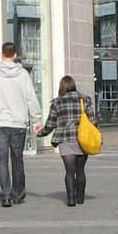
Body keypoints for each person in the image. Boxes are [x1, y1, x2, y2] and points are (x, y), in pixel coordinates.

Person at [0, 41, 39, 208]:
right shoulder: (23, 75)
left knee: (1, 159)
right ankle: (18, 193)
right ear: (14, 55)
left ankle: (5, 194)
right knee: (17, 158)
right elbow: (31, 99)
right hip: (18, 124)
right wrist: (37, 120)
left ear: (1, 54)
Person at [39, 75, 95, 207]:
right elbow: (93, 121)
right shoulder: (85, 99)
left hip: (65, 140)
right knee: (80, 170)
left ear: (61, 87)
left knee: (70, 171)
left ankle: (71, 200)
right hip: (83, 139)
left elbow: (51, 123)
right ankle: (80, 198)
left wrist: (41, 133)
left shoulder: (57, 102)